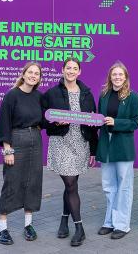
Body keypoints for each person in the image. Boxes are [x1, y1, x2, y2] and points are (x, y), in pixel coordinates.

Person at [43, 58, 99, 247]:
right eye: (68, 68)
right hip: (61, 143)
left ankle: (64, 220)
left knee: (71, 185)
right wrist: (54, 122)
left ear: (79, 72)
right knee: (70, 183)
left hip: (80, 143)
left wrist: (93, 149)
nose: (71, 71)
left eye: (75, 68)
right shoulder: (52, 93)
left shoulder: (87, 94)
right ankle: (79, 228)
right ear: (63, 70)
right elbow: (43, 121)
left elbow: (93, 124)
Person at [0, 62, 46, 245]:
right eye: (30, 72)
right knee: (11, 183)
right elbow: (4, 124)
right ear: (23, 74)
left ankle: (28, 225)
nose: (33, 75)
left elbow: (46, 121)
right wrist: (8, 150)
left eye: (37, 73)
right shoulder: (12, 95)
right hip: (16, 140)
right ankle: (2, 228)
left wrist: (59, 121)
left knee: (33, 182)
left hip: (35, 141)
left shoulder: (40, 97)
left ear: (40, 78)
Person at [96, 62, 138, 240]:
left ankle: (122, 224)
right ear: (110, 77)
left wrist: (117, 122)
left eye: (120, 75)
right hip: (106, 145)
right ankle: (109, 221)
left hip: (123, 146)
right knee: (108, 186)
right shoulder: (104, 95)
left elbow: (136, 122)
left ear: (125, 77)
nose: (117, 77)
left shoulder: (132, 97)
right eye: (114, 74)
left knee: (124, 186)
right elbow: (101, 118)